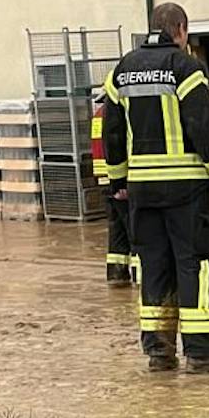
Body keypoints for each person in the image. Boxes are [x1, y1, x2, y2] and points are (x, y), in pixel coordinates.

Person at [101, 3, 209, 374]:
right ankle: (203, 352)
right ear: (180, 29)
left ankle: (160, 353)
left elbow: (110, 133)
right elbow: (204, 128)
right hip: (186, 188)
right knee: (194, 264)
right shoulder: (187, 68)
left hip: (141, 192)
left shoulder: (121, 71)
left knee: (154, 267)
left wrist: (118, 181)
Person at [91, 87, 135, 286]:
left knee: (116, 230)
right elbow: (117, 146)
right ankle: (140, 275)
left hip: (103, 181)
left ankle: (117, 275)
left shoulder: (98, 115)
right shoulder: (116, 114)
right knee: (135, 230)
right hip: (118, 181)